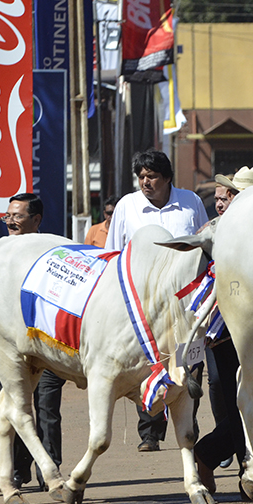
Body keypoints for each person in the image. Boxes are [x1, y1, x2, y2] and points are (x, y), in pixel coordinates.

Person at [106, 148, 207, 452]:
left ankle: (188, 426)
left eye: (151, 176)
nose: (145, 182)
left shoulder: (190, 202)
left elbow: (203, 241)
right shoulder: (127, 206)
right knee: (149, 362)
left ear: (167, 179)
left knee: (186, 362)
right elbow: (114, 252)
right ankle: (149, 432)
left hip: (185, 302)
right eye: (141, 177)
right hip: (142, 301)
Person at [192, 167, 253, 492]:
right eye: (226, 196)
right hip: (221, 328)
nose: (225, 202)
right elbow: (198, 273)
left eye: (231, 195)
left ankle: (224, 459)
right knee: (233, 395)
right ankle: (233, 462)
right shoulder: (214, 230)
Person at [4, 193, 67, 491]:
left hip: (49, 343)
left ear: (37, 220)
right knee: (18, 404)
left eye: (17, 216)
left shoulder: (54, 251)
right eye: (8, 216)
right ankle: (18, 470)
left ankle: (50, 468)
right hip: (13, 346)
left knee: (47, 407)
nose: (11, 222)